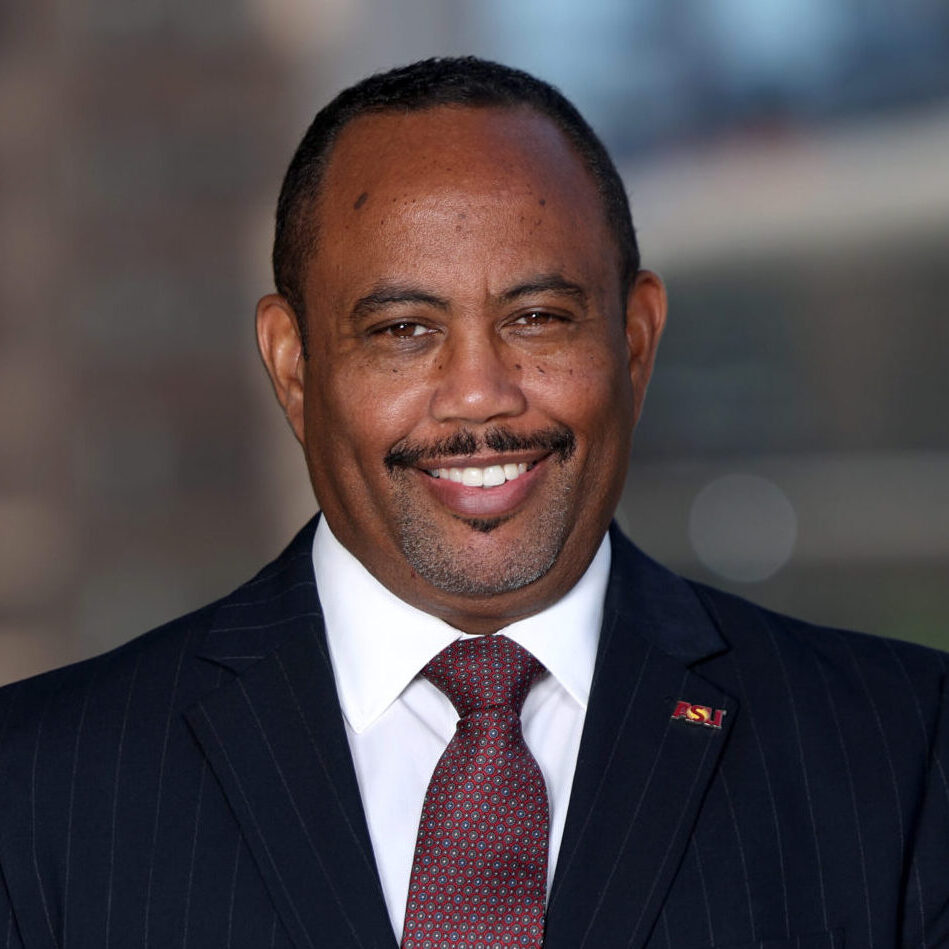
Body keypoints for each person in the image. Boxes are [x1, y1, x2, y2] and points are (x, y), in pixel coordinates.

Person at [0, 57, 945, 949]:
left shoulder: (904, 758)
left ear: (635, 340)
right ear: (294, 367)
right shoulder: (38, 786)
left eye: (537, 318)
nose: (480, 393)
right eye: (403, 330)